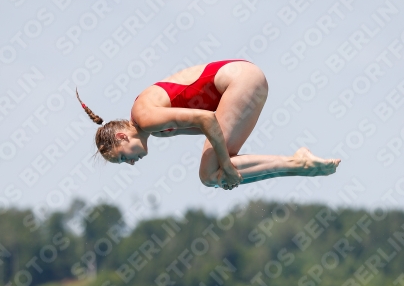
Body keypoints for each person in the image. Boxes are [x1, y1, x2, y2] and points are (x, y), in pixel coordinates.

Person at [76, 59, 341, 190]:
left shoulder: (145, 117)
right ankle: (298, 164)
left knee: (210, 173)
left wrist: (226, 167)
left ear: (122, 137)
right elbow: (209, 126)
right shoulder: (156, 128)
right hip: (243, 79)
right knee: (212, 173)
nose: (131, 164)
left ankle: (299, 162)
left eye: (123, 158)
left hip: (239, 81)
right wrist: (225, 171)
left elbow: (207, 119)